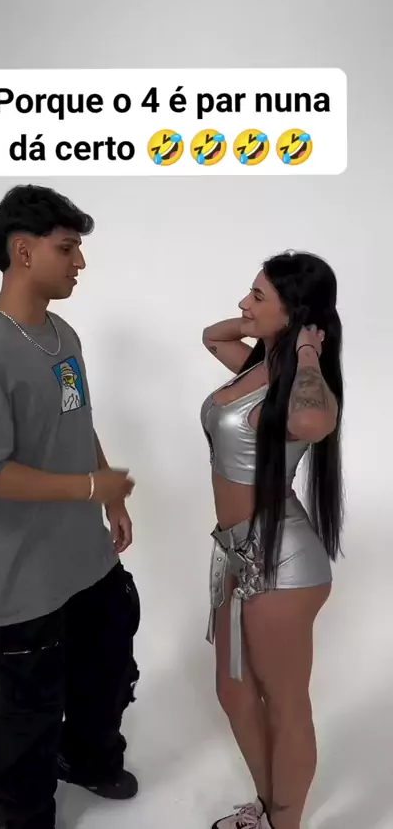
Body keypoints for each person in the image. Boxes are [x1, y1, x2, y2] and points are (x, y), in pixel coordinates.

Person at [0, 184, 140, 829]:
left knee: (106, 661)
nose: (80, 262)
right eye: (67, 248)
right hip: (21, 571)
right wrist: (89, 489)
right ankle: (21, 811)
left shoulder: (61, 334)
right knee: (26, 701)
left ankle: (87, 756)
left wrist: (107, 492)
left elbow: (77, 418)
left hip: (83, 554)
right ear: (23, 252)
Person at [200, 251, 344, 829]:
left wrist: (308, 346)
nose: (243, 303)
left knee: (285, 704)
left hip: (282, 562)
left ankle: (286, 824)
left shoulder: (298, 387)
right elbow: (212, 336)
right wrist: (263, 324)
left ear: (295, 314)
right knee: (233, 690)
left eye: (257, 296)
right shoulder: (257, 368)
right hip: (235, 552)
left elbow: (314, 424)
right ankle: (268, 808)